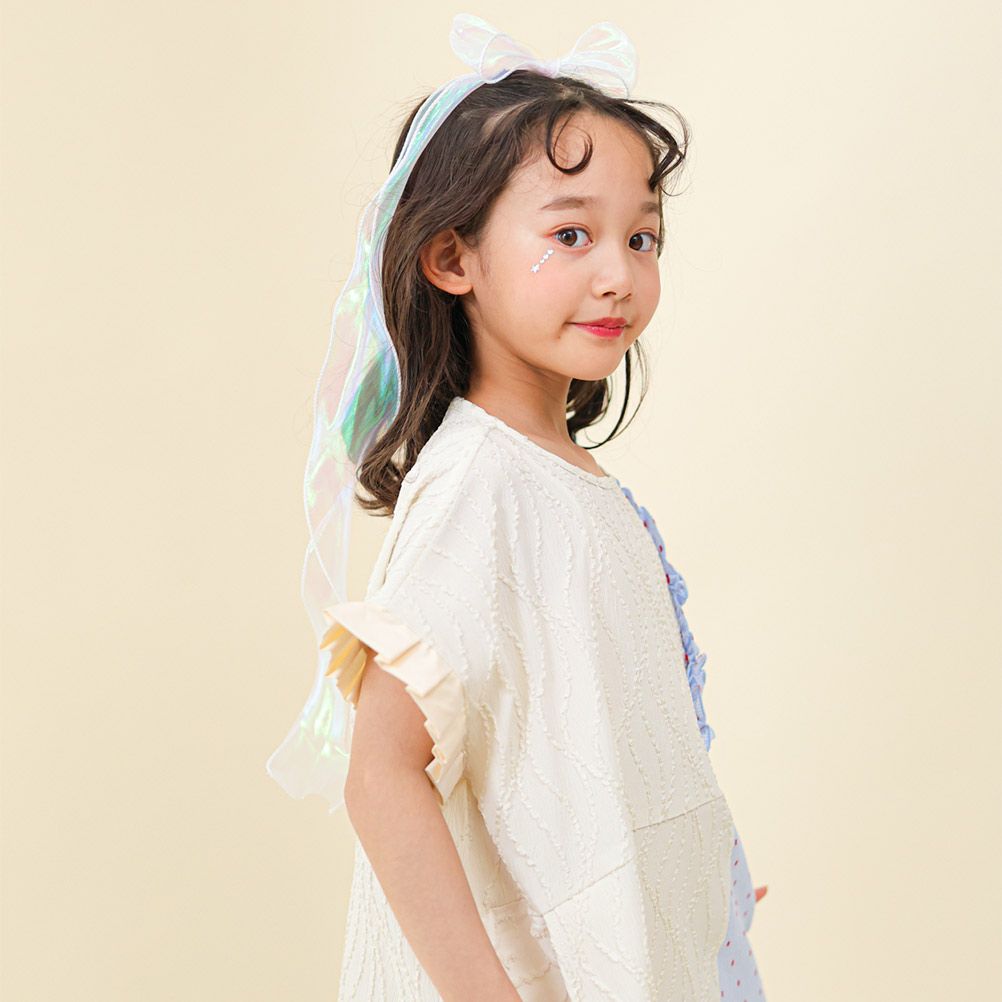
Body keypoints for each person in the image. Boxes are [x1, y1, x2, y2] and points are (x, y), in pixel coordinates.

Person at [266, 14, 768, 1001]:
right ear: (452, 260)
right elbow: (382, 773)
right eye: (571, 234)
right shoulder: (480, 486)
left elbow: (582, 742)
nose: (619, 274)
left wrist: (688, 887)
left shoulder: (561, 478)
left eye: (641, 237)